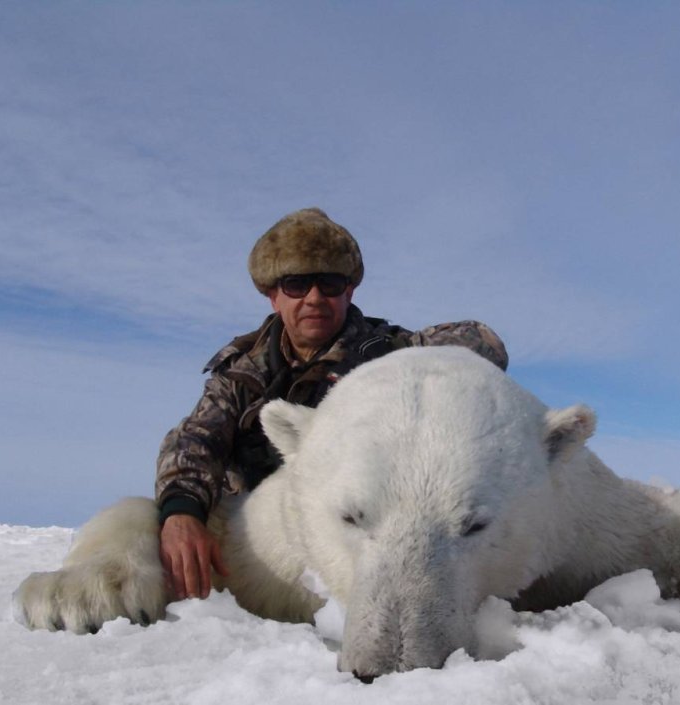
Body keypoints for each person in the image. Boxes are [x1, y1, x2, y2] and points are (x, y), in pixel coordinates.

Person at [156, 207, 508, 601]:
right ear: (272, 295)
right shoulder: (240, 372)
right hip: (255, 538)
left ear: (349, 291)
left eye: (330, 284)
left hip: (362, 540)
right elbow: (195, 442)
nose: (314, 298)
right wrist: (182, 513)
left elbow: (485, 343)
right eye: (296, 285)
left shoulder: (390, 353)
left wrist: (409, 362)